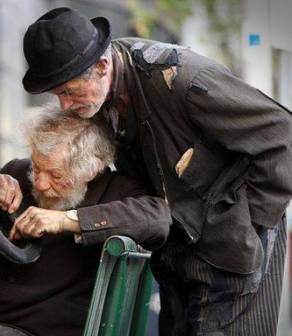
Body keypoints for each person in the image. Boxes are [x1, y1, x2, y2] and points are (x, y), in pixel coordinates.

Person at [21, 7, 292, 336]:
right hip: (178, 255)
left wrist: (249, 222)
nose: (64, 105)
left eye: (68, 91)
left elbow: (283, 136)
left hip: (235, 251)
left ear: (102, 66)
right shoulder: (100, 93)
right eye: (57, 95)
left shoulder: (186, 81)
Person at [0, 107, 169, 336]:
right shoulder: (17, 172)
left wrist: (67, 220)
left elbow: (158, 218)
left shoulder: (117, 191)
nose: (39, 182)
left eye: (55, 175)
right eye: (37, 167)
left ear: (91, 170)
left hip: (33, 329)